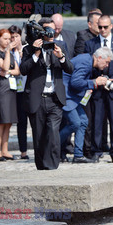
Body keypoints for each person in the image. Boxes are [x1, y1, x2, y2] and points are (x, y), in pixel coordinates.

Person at [20, 21, 74, 170]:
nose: (50, 36)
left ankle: (52, 165)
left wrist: (61, 57)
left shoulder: (60, 47)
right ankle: (41, 166)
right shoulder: (29, 49)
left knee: (53, 133)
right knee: (39, 136)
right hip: (37, 98)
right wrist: (36, 53)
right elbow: (23, 69)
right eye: (47, 33)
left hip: (55, 99)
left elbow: (70, 68)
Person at [84, 15, 113, 162]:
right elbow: (88, 64)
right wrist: (98, 80)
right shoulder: (90, 43)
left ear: (111, 26)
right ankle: (97, 150)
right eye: (100, 27)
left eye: (105, 27)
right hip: (97, 87)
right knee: (97, 121)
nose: (102, 30)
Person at [60, 47, 112, 164]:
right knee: (76, 123)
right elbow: (75, 82)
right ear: (99, 58)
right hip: (66, 96)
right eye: (107, 62)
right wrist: (94, 83)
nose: (107, 65)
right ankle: (52, 144)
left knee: (83, 121)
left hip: (72, 97)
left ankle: (78, 155)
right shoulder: (85, 62)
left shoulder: (88, 61)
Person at [0, 29, 20, 161]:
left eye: (9, 39)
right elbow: (5, 67)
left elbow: (17, 70)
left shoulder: (11, 53)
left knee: (8, 122)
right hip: (1, 88)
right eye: (5, 38)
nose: (8, 41)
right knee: (1, 120)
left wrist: (9, 71)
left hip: (11, 88)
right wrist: (7, 52)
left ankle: (5, 149)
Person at [8, 25, 29, 160]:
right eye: (12, 37)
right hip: (15, 88)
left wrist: (22, 54)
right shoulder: (8, 51)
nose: (14, 39)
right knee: (21, 121)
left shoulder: (27, 49)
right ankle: (23, 151)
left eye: (16, 36)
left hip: (28, 87)